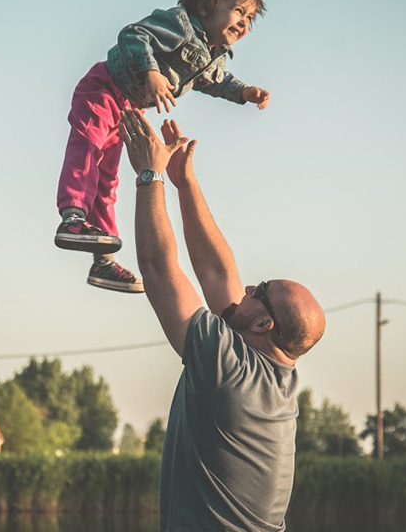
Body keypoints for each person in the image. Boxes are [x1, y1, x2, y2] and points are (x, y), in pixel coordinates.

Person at [119, 109, 326, 531]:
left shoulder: (229, 371)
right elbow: (218, 274)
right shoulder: (273, 370)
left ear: (265, 324)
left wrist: (149, 175)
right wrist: (183, 182)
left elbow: (158, 267)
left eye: (260, 291)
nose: (247, 289)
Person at [54, 0, 272, 294]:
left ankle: (103, 262)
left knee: (108, 179)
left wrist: (243, 92)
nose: (243, 21)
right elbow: (133, 35)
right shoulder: (181, 24)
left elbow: (215, 81)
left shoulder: (214, 57)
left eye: (250, 18)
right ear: (205, 6)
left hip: (127, 109)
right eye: (237, 10)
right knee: (88, 147)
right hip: (104, 87)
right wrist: (150, 71)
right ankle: (72, 217)